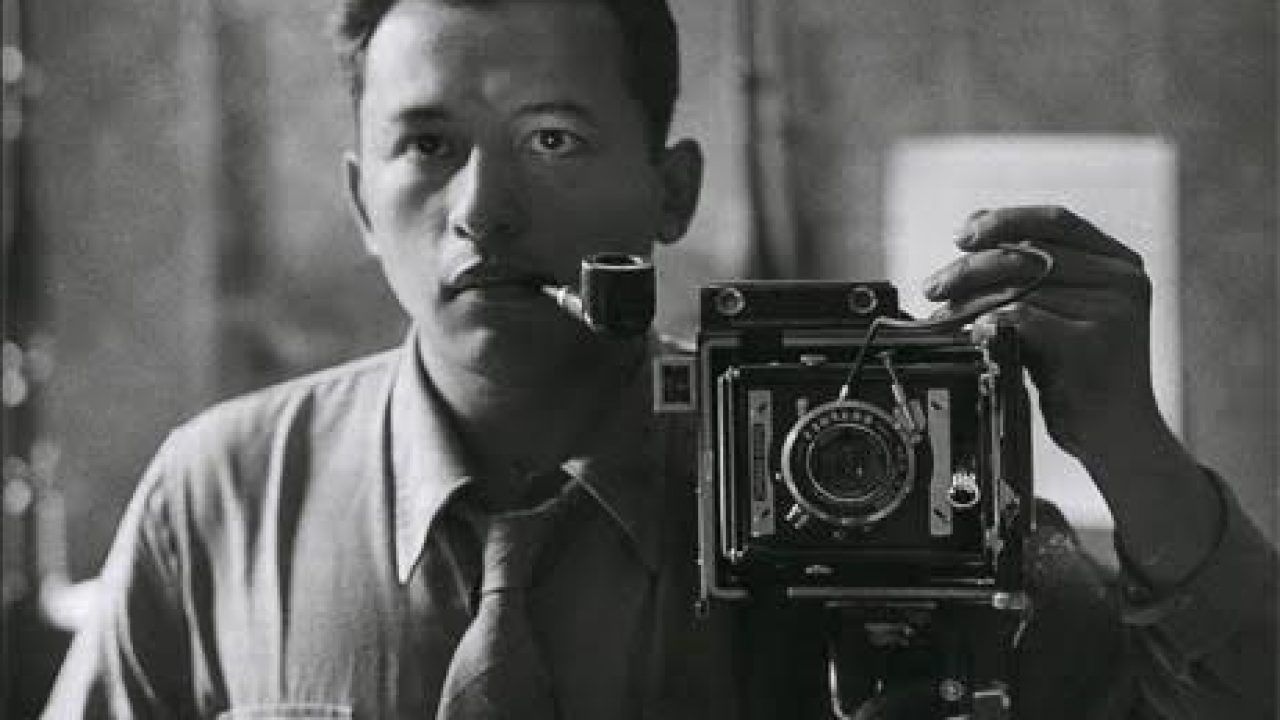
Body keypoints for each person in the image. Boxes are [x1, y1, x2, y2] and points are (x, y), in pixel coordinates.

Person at [43, 0, 1276, 717]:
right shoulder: (216, 497)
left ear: (670, 191)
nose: (482, 212)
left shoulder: (869, 472)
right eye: (426, 146)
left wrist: (1130, 449)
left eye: (553, 138)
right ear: (363, 202)